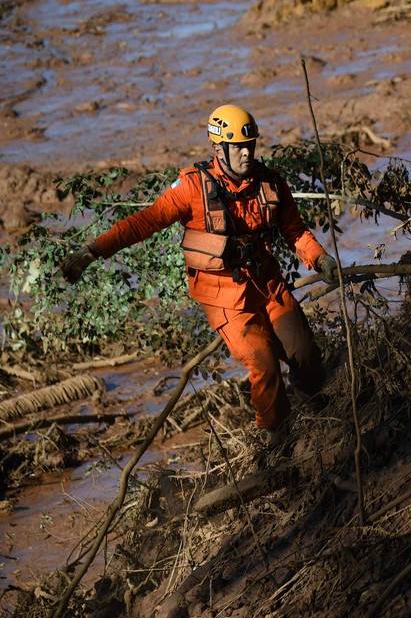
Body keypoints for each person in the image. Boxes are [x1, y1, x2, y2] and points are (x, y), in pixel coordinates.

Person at [61, 104, 339, 448]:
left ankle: (321, 415)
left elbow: (295, 232)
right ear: (218, 148)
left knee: (307, 358)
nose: (245, 153)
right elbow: (145, 222)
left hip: (269, 286)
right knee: (264, 365)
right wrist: (93, 252)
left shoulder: (270, 182)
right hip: (225, 299)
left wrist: (321, 259)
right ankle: (278, 442)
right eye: (237, 147)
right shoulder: (192, 187)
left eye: (249, 145)